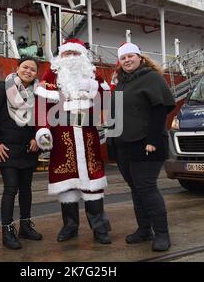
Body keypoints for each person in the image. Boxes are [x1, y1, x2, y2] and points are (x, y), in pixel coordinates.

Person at [34, 38, 112, 244]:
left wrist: (94, 86)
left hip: (88, 135)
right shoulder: (52, 75)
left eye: (75, 54)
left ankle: (100, 228)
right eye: (67, 54)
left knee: (93, 181)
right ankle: (70, 226)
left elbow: (107, 99)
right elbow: (42, 104)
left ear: (82, 56)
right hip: (62, 136)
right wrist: (43, 129)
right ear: (62, 56)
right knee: (66, 183)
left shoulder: (93, 74)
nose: (71, 58)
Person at [112, 42, 175, 252]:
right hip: (124, 144)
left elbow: (160, 110)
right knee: (136, 189)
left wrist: (152, 141)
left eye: (131, 56)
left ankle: (162, 234)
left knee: (146, 188)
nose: (127, 60)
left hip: (146, 143)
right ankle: (144, 230)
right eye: (123, 58)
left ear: (140, 57)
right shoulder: (121, 83)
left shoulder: (151, 78)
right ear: (119, 63)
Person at [0, 56, 43, 250]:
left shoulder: (39, 92)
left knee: (26, 188)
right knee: (11, 188)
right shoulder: (3, 88)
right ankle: (7, 230)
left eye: (33, 69)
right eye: (25, 67)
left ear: (37, 73)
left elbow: (41, 119)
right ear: (17, 68)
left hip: (28, 148)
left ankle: (25, 225)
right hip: (6, 147)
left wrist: (38, 138)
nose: (28, 71)